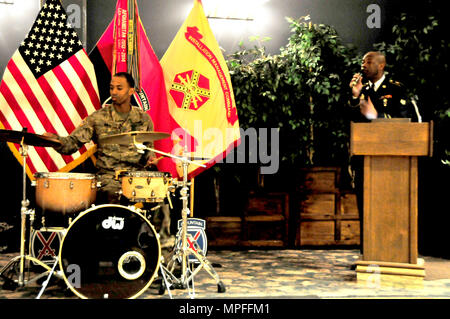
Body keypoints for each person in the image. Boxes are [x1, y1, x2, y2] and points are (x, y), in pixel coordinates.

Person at [45, 72, 159, 204]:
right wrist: (54, 140)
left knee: (159, 199)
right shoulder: (97, 118)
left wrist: (151, 159)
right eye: (112, 88)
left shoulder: (143, 118)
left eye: (119, 88)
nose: (114, 92)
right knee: (113, 194)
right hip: (108, 179)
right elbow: (72, 143)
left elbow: (149, 149)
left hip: (137, 178)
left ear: (131, 91)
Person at [347, 51, 421, 255]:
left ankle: (392, 254)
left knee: (390, 211)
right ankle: (368, 253)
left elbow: (411, 125)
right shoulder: (364, 90)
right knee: (367, 209)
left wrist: (376, 116)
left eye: (368, 62)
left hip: (393, 165)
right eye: (362, 61)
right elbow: (355, 123)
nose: (363, 65)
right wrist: (355, 96)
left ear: (381, 66)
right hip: (365, 161)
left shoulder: (397, 90)